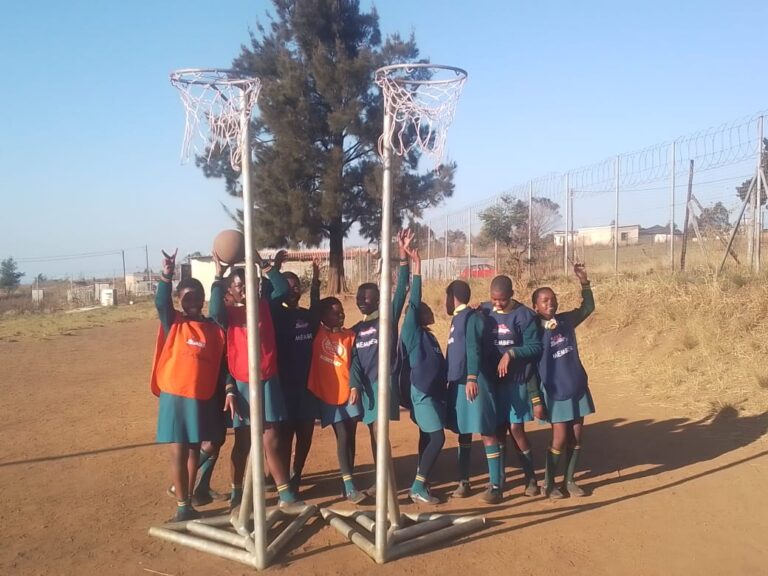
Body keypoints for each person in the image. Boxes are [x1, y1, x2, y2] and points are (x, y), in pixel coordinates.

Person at [209, 251, 303, 513]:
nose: (246, 289)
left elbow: (282, 288)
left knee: (270, 438)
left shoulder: (265, 304)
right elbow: (213, 308)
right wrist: (218, 276)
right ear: (231, 292)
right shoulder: (227, 314)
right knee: (244, 442)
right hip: (242, 383)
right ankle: (237, 491)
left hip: (267, 379)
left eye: (249, 283)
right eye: (240, 286)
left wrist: (264, 267)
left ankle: (286, 494)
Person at [150, 249, 228, 521]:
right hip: (175, 396)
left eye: (197, 296)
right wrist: (167, 274)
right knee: (178, 451)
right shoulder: (174, 323)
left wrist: (219, 277)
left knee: (195, 449)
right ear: (179, 302)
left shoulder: (213, 326)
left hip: (201, 396)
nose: (193, 301)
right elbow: (161, 303)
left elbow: (218, 308)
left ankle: (190, 501)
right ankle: (182, 505)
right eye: (186, 297)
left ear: (204, 298)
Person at [349, 229, 413, 483]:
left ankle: (385, 479)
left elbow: (401, 290)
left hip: (382, 382)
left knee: (378, 429)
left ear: (377, 299)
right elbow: (353, 360)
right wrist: (355, 384)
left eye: (367, 296)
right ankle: (382, 475)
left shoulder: (387, 318)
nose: (362, 300)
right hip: (366, 387)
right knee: (373, 432)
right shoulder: (355, 330)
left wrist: (403, 256)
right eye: (359, 297)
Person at [532, 263, 595, 499]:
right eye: (545, 301)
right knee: (559, 437)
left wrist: (584, 282)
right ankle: (549, 484)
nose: (551, 304)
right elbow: (529, 368)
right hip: (553, 390)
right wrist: (535, 398)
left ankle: (570, 480)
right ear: (535, 306)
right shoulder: (533, 329)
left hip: (576, 385)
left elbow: (588, 308)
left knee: (576, 435)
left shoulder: (566, 320)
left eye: (553, 299)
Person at [480, 275, 543, 498]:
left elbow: (536, 347)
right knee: (497, 431)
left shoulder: (525, 316)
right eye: (494, 299)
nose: (497, 304)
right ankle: (497, 481)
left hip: (516, 383)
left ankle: (530, 478)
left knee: (516, 429)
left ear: (511, 296)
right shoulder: (486, 311)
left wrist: (512, 353)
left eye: (502, 300)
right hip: (493, 383)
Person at [444, 280, 501, 504]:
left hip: (474, 380)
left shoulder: (472, 317)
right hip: (459, 382)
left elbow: (473, 347)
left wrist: (471, 377)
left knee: (486, 431)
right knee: (463, 431)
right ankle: (464, 481)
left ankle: (496, 486)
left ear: (453, 297)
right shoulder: (459, 317)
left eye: (446, 297)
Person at [306, 297, 366, 504]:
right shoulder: (317, 333)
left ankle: (347, 480)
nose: (341, 315)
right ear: (323, 317)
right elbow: (313, 310)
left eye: (341, 312)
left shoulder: (350, 336)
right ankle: (350, 487)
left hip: (349, 393)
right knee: (342, 433)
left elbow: (356, 363)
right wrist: (315, 281)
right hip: (328, 395)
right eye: (335, 312)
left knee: (350, 436)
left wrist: (355, 385)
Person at [269, 258, 321, 495]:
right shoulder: (276, 315)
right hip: (285, 387)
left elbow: (317, 308)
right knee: (285, 434)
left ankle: (297, 473)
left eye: (296, 286)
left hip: (307, 386)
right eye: (288, 287)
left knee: (306, 434)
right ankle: (281, 476)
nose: (293, 290)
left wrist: (316, 279)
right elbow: (274, 293)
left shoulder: (308, 317)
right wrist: (274, 270)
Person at [399, 246, 446, 504]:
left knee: (427, 436)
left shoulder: (428, 336)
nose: (430, 313)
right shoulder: (412, 333)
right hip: (422, 392)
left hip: (434, 393)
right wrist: (416, 266)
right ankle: (417, 487)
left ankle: (422, 477)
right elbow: (414, 301)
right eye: (425, 310)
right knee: (438, 437)